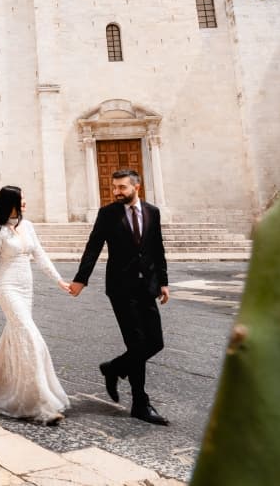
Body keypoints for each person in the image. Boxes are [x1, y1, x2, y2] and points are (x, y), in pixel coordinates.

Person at [0, 185, 73, 425]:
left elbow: (39, 254)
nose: (25, 203)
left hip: (26, 287)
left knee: (15, 337)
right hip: (7, 288)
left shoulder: (27, 226)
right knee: (30, 337)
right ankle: (40, 404)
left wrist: (59, 280)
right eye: (21, 199)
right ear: (9, 202)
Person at [69, 169, 171, 426]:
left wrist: (164, 281)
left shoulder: (152, 212)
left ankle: (113, 368)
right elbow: (93, 247)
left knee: (156, 342)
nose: (116, 192)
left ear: (137, 187)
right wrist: (81, 279)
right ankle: (140, 403)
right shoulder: (107, 214)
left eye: (122, 187)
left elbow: (157, 247)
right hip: (120, 288)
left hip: (147, 286)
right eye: (114, 187)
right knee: (137, 345)